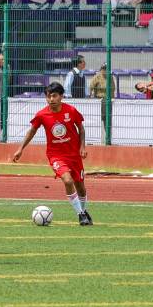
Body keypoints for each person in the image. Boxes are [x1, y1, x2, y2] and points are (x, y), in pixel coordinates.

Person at [12, 82, 92, 226]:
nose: (51, 99)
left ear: (61, 96)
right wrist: (20, 148)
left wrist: (82, 147)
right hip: (56, 155)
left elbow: (81, 128)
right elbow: (32, 131)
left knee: (80, 186)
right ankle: (80, 214)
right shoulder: (42, 114)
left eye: (54, 96)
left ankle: (84, 211)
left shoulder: (71, 111)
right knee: (68, 181)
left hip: (74, 155)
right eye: (48, 96)